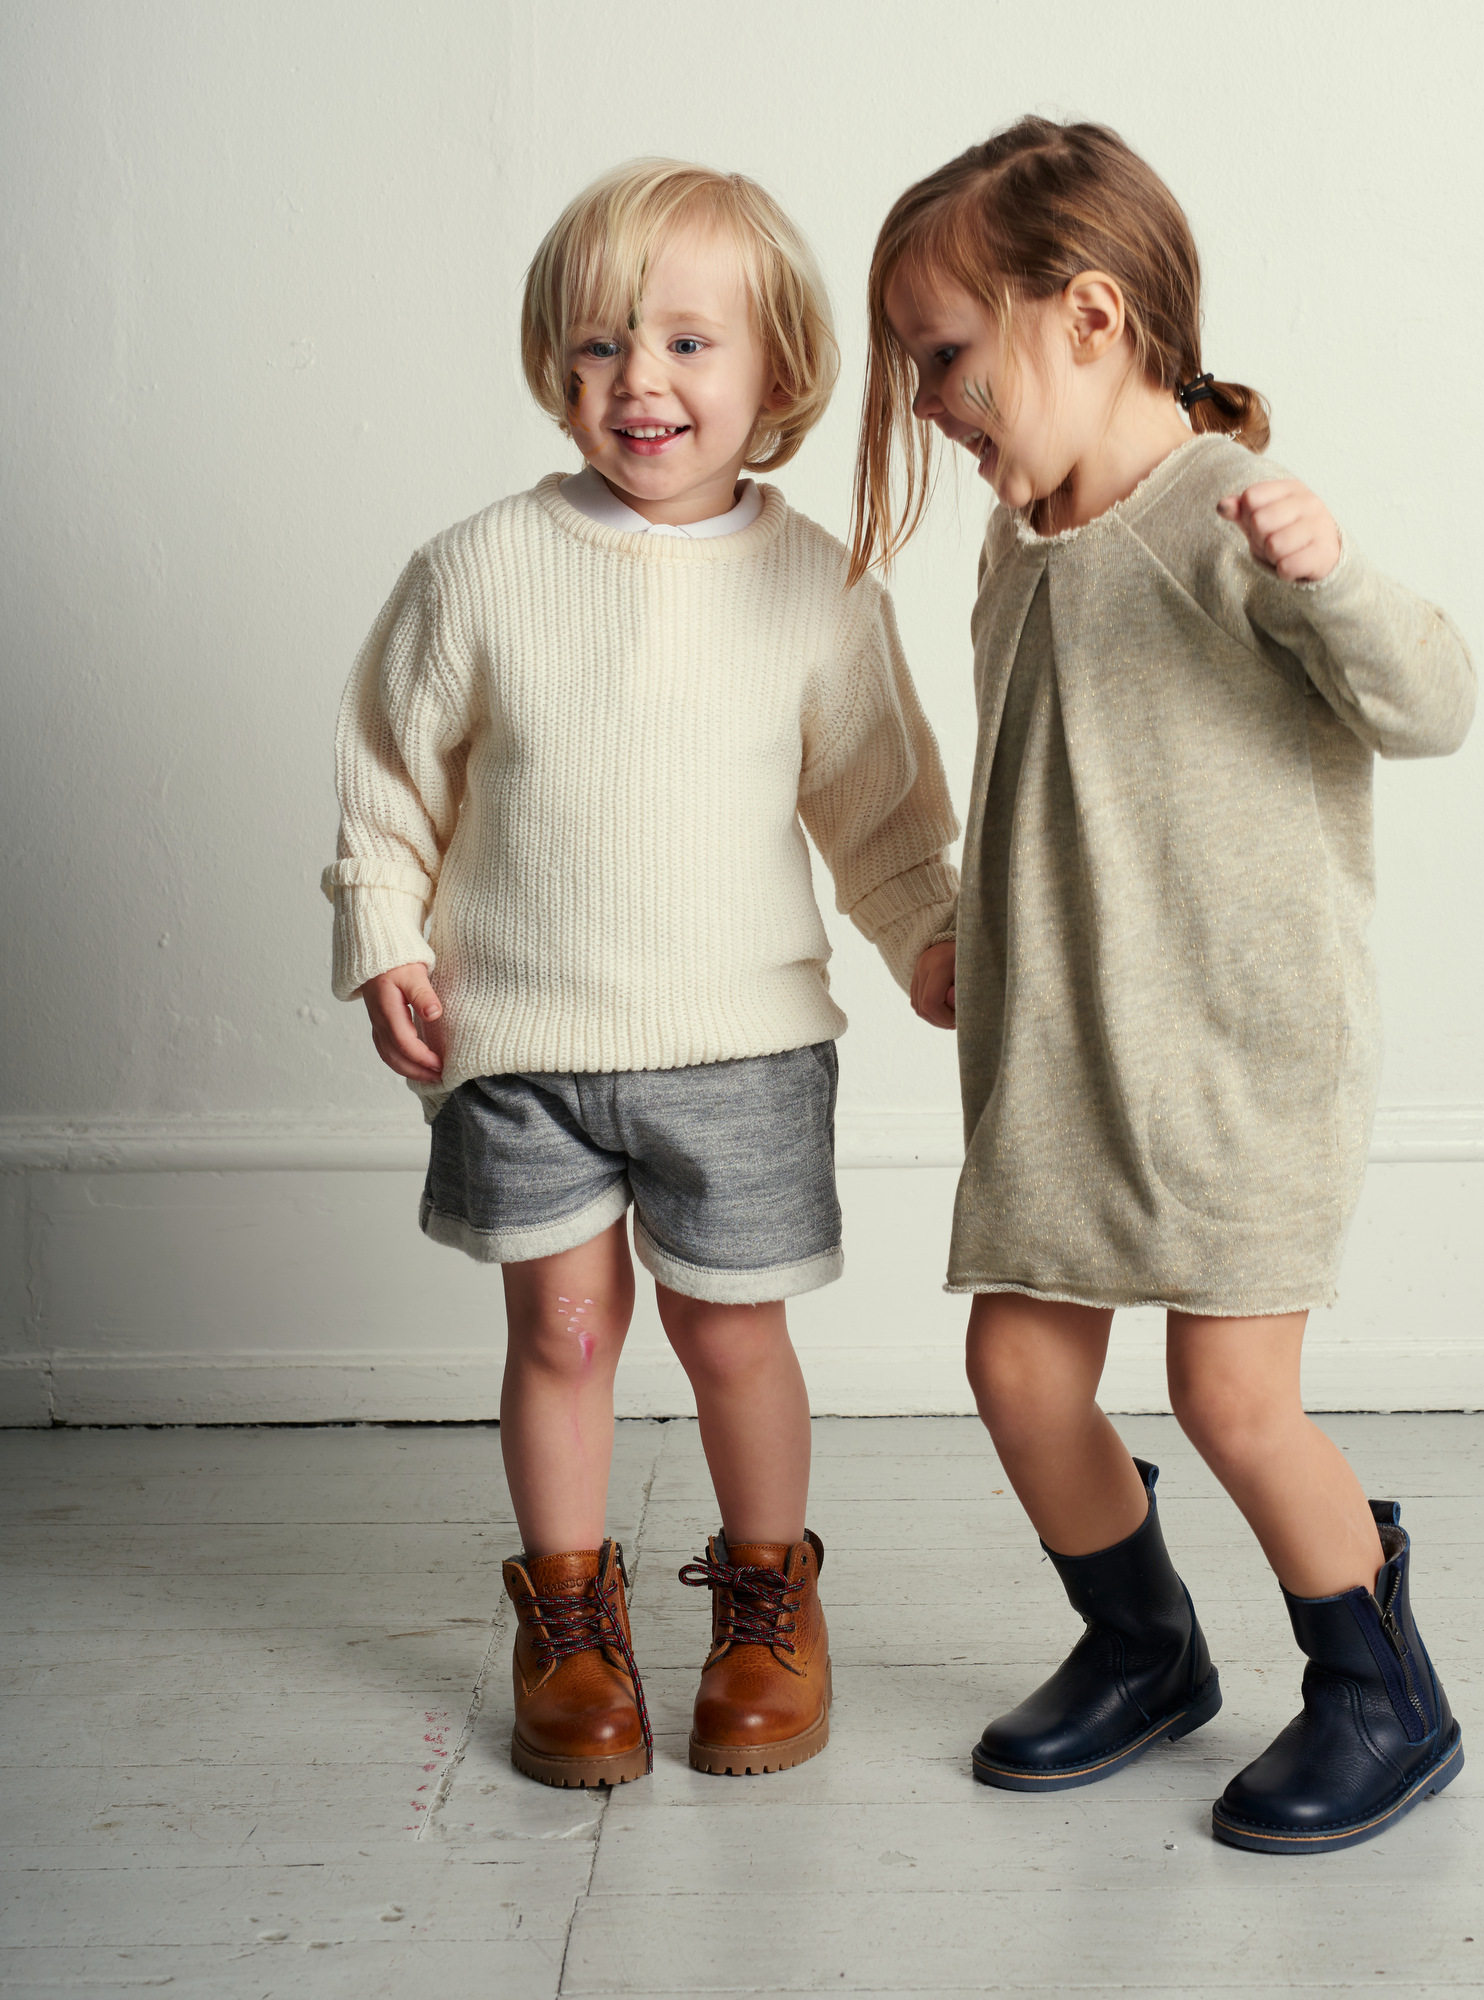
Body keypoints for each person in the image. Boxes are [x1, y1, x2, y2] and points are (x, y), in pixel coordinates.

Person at [861, 117, 1476, 1851]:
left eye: (946, 354)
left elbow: (1433, 704)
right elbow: (1029, 773)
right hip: (1063, 1047)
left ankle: (1380, 1687)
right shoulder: (1014, 546)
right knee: (1022, 1372)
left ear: (1091, 315)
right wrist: (971, 925)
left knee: (1230, 1395)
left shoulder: (1223, 517)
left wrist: (1335, 574)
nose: (926, 402)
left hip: (1233, 1052)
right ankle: (1143, 1646)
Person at [324, 159, 959, 1789]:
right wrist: (382, 929)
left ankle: (767, 1600)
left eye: (689, 344)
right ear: (557, 365)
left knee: (732, 1334)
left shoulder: (815, 582)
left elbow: (880, 806)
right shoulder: (477, 570)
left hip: (739, 1044)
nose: (643, 384)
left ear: (776, 373)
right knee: (565, 1333)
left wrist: (929, 938)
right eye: (603, 347)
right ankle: (570, 1619)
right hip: (524, 1036)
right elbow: (394, 781)